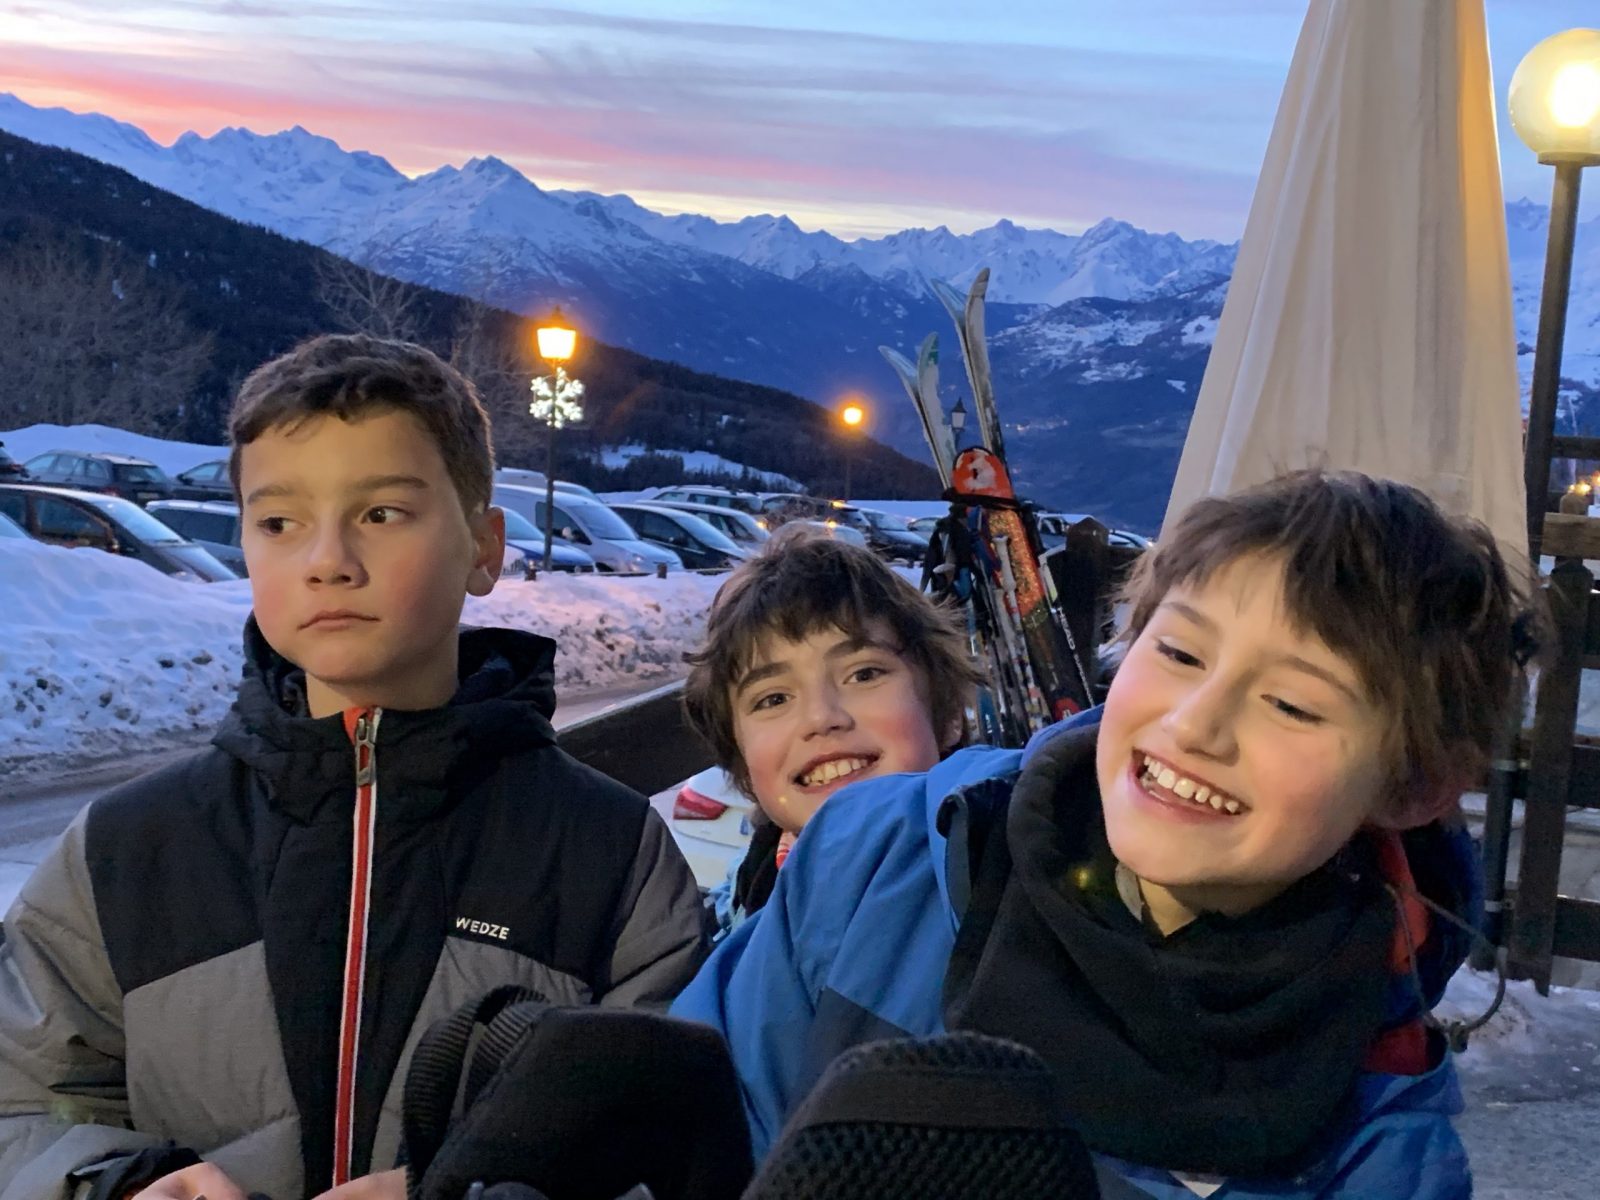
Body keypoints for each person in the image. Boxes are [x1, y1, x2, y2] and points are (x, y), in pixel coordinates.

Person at [671, 469, 1529, 1199]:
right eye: (1181, 655)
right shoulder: (879, 859)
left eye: (1293, 704)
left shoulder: (1374, 1137)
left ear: (1410, 784)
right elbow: (692, 1131)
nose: (1196, 726)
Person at [0, 335, 710, 1200]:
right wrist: (118, 1183)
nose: (326, 558)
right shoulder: (126, 850)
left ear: (484, 548)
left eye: (381, 512)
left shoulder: (607, 853)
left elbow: (673, 1133)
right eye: (279, 522)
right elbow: (22, 1102)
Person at [680, 525, 983, 934]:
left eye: (864, 674)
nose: (821, 717)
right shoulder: (743, 910)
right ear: (743, 761)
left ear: (946, 715)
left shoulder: (1000, 888)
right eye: (773, 699)